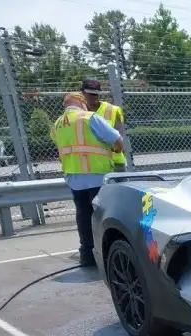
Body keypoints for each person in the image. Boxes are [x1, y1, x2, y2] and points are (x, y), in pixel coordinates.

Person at [50, 92, 124, 267]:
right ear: (81, 102)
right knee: (102, 215)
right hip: (97, 174)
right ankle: (106, 253)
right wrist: (116, 150)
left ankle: (87, 254)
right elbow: (116, 139)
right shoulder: (89, 117)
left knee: (83, 215)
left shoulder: (58, 124)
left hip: (74, 177)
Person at [81, 76, 128, 172]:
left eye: (96, 94)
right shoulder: (78, 112)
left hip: (114, 161)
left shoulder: (111, 110)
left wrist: (117, 150)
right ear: (82, 93)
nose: (94, 96)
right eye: (90, 94)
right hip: (90, 163)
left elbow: (120, 135)